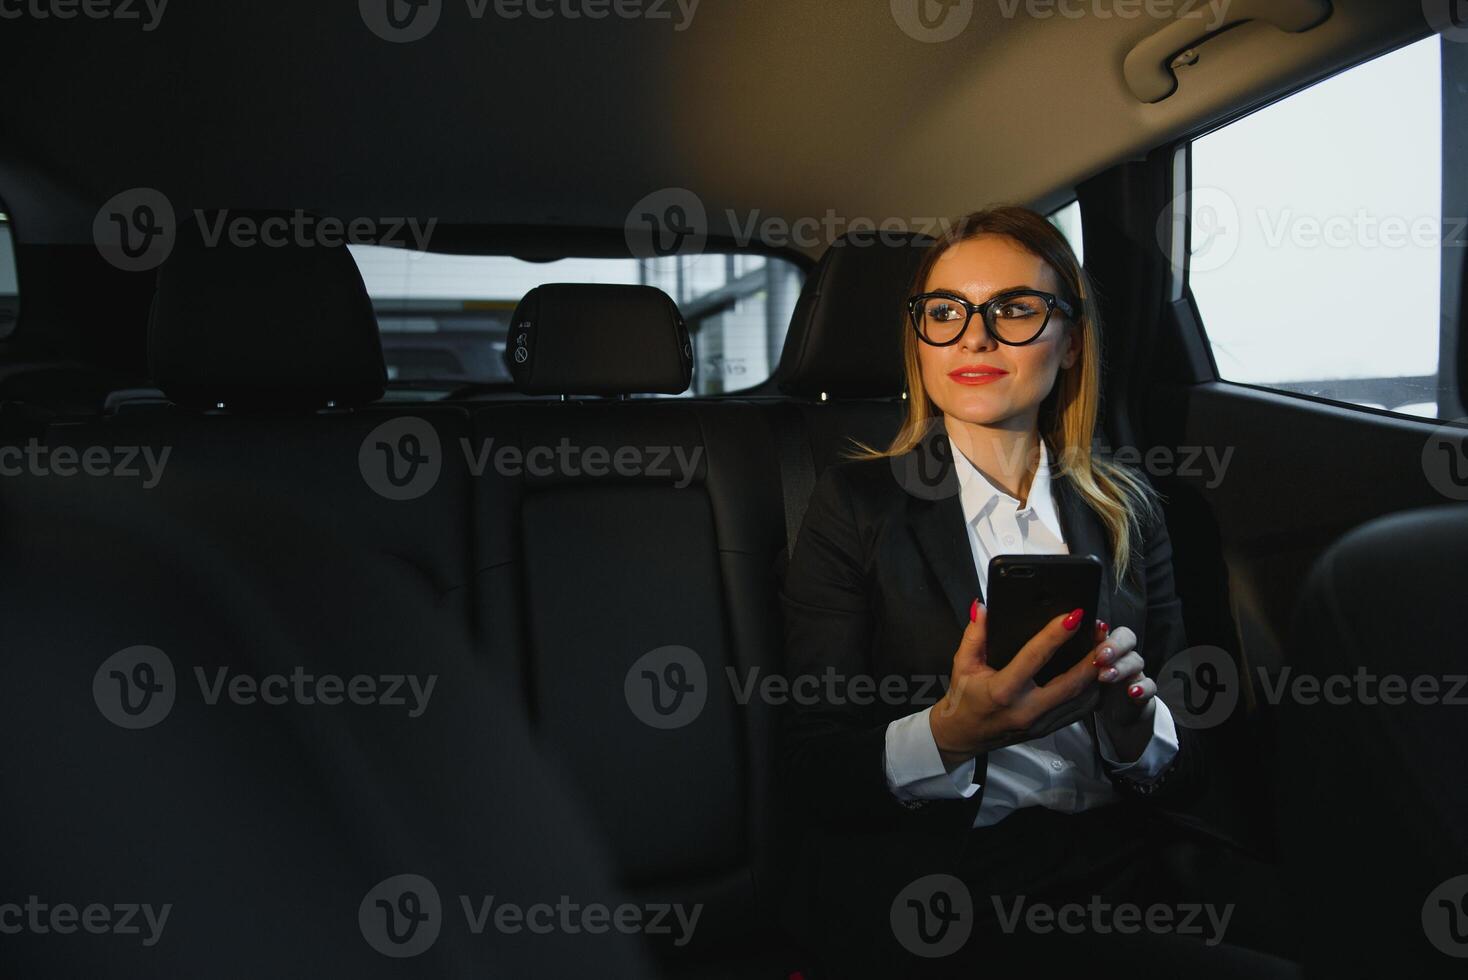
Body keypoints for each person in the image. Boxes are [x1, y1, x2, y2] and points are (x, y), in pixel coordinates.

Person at [778, 206, 1292, 974]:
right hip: (950, 880)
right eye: (945, 312)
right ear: (918, 340)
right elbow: (815, 768)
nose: (975, 336)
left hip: (1128, 860)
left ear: (1073, 338)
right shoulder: (854, 506)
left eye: (1014, 308)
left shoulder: (1132, 510)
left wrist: (1133, 731)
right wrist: (952, 731)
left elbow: (1193, 759)